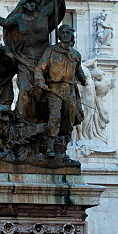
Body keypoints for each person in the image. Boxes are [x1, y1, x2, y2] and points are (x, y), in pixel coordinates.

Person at [34, 24, 86, 157]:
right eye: (62, 33)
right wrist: (40, 81)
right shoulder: (51, 51)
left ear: (71, 36)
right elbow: (40, 68)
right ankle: (49, 147)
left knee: (69, 120)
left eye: (68, 33)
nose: (65, 35)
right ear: (59, 35)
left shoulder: (75, 55)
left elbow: (79, 72)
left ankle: (63, 147)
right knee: (55, 117)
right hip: (54, 89)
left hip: (69, 91)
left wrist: (84, 80)